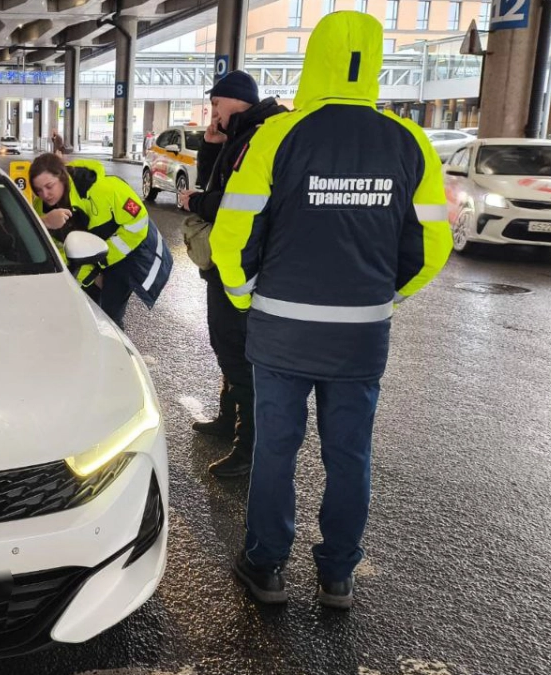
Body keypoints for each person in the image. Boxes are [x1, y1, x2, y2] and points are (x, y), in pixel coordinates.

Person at [209, 11, 451, 609]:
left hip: (281, 331)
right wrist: (384, 295)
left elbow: (230, 239)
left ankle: (265, 566)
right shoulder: (410, 141)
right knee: (350, 456)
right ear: (373, 62)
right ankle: (337, 575)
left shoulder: (278, 135)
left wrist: (247, 297)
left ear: (314, 58)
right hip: (361, 337)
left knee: (275, 448)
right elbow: (433, 245)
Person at [176, 70, 288, 478]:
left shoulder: (261, 135)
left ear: (235, 99)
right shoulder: (239, 133)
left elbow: (245, 201)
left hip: (245, 265)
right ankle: (229, 421)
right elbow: (216, 182)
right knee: (226, 346)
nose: (213, 113)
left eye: (216, 105)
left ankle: (248, 449)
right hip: (227, 262)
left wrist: (201, 203)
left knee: (240, 354)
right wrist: (210, 145)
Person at [29, 153, 173, 328]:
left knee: (109, 318)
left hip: (127, 257)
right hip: (89, 263)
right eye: (38, 190)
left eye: (49, 186)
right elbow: (60, 253)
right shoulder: (41, 210)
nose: (45, 194)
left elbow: (138, 224)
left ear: (62, 176)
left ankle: (119, 352)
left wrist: (102, 261)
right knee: (86, 315)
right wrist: (92, 274)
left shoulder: (105, 189)